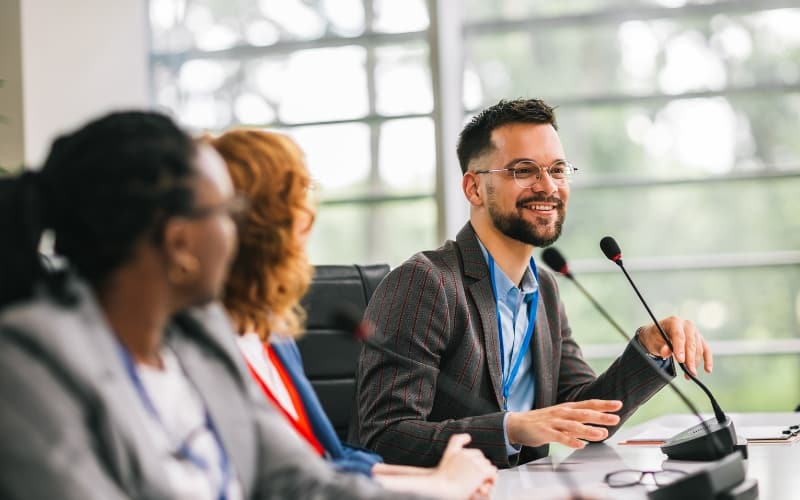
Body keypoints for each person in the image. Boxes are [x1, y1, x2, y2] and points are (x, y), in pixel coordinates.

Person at [0, 111, 433, 500]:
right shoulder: (29, 365)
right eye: (227, 211)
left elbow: (303, 484)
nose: (240, 231)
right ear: (179, 242)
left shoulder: (199, 339)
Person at [349, 98, 714, 468]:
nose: (548, 186)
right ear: (474, 189)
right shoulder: (427, 282)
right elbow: (385, 437)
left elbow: (584, 417)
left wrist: (648, 349)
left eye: (557, 170)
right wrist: (511, 429)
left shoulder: (544, 288)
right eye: (524, 170)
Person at [209, 128, 497, 499]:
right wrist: (440, 486)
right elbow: (291, 481)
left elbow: (328, 457)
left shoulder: (273, 333)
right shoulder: (205, 348)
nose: (307, 227)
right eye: (295, 209)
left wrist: (437, 479)